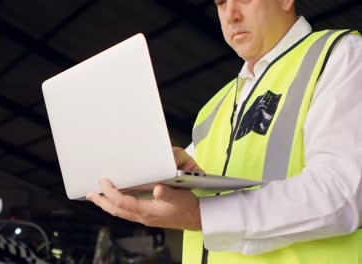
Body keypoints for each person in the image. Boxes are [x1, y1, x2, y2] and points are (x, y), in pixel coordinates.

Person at [86, 0, 362, 263]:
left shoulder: (339, 55)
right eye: (220, 3)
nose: (231, 15)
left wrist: (202, 216)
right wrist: (150, 178)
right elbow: (180, 196)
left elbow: (343, 191)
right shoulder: (215, 107)